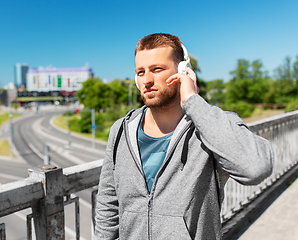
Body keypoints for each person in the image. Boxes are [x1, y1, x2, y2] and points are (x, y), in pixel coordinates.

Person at [94, 33, 274, 240]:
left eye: (157, 69)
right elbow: (108, 205)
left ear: (183, 71)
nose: (147, 80)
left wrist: (192, 100)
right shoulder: (121, 130)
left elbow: (256, 167)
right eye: (140, 72)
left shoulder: (208, 126)